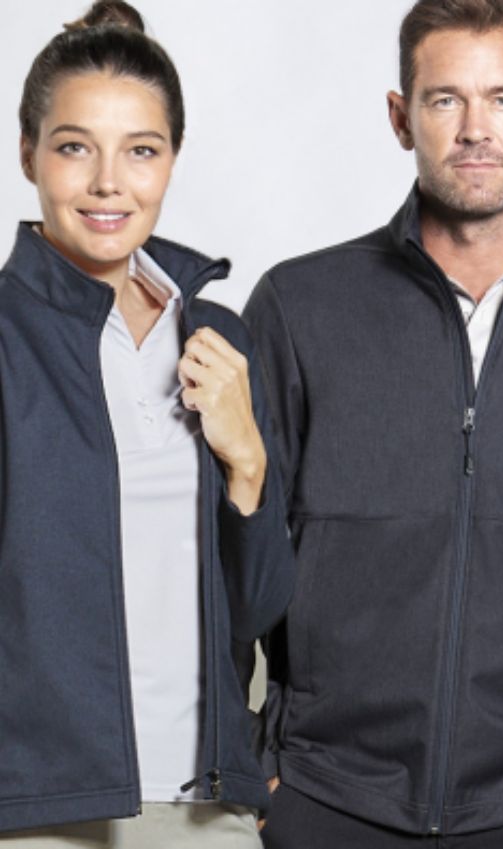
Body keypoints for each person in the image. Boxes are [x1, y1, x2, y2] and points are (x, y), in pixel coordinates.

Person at [244, 0, 503, 846]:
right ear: (402, 117)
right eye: (446, 99)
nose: (476, 128)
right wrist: (243, 760)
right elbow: (231, 542)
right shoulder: (300, 306)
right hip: (328, 798)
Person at [0, 1, 294, 846]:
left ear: (172, 158)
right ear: (28, 153)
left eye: (140, 150)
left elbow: (257, 607)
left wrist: (247, 463)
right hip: (37, 807)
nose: (108, 183)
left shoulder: (217, 337)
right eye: (74, 147)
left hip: (208, 804)